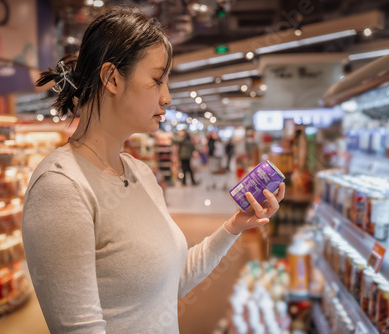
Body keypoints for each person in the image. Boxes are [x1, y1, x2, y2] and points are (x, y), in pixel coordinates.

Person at [22, 8, 285, 334]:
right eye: (157, 80)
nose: (167, 97)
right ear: (112, 78)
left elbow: (168, 283)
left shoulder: (139, 172)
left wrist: (233, 227)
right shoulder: (61, 187)